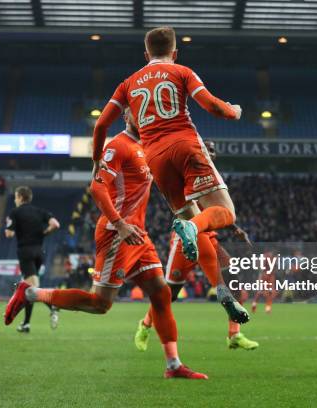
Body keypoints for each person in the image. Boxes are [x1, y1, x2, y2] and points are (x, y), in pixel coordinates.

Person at [5, 110, 207, 379]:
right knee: (101, 304)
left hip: (139, 235)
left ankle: (173, 365)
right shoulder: (118, 146)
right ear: (127, 117)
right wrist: (121, 224)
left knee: (161, 293)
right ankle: (30, 293)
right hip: (117, 233)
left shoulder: (146, 146)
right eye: (139, 114)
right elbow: (97, 188)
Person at [91, 26, 248, 324]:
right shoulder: (182, 71)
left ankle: (221, 289)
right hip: (185, 145)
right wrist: (234, 111)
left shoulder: (128, 83)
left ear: (146, 53)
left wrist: (97, 160)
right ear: (175, 53)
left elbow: (100, 126)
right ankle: (198, 243)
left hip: (154, 158)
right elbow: (212, 105)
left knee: (190, 218)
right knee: (226, 212)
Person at [134, 140, 258, 351]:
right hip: (187, 238)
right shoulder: (187, 172)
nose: (210, 153)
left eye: (212, 150)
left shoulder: (212, 178)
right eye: (206, 149)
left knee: (233, 281)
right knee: (169, 293)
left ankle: (234, 334)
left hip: (208, 236)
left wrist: (234, 228)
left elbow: (217, 210)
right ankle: (145, 325)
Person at [5, 186, 60, 333]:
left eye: (16, 197)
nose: (15, 200)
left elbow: (9, 234)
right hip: (39, 252)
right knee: (28, 288)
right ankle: (26, 324)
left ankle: (52, 305)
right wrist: (44, 233)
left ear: (21, 197)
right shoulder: (39, 211)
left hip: (25, 252)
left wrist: (9, 226)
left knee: (33, 288)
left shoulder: (15, 212)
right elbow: (55, 224)